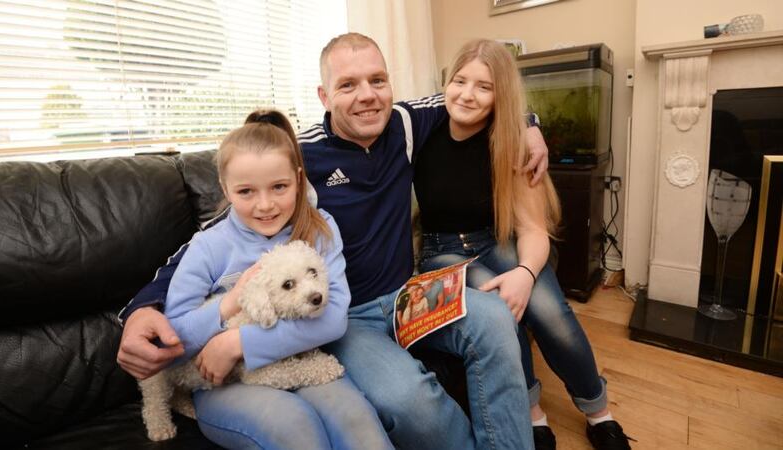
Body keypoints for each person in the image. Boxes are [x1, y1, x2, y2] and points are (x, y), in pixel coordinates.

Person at [118, 32, 552, 450]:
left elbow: (474, 97)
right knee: (410, 401)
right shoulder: (301, 159)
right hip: (350, 317)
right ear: (324, 96)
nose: (367, 95)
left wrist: (527, 122)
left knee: (497, 318)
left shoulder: (403, 121)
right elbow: (214, 236)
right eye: (348, 85)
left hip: (409, 293)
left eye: (377, 81)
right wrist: (142, 307)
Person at [413, 39, 633, 450]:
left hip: (496, 240)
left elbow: (533, 229)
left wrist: (526, 273)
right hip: (441, 251)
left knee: (551, 311)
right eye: (459, 81)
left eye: (484, 86)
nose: (467, 94)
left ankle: (599, 412)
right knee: (500, 309)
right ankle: (532, 412)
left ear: (501, 95)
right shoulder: (422, 132)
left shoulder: (511, 142)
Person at [159, 109, 393, 450]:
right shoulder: (208, 246)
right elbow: (174, 336)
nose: (265, 205)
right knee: (295, 426)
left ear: (299, 179)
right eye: (246, 192)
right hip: (223, 384)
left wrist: (240, 342)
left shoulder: (319, 227)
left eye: (279, 187)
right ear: (225, 188)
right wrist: (229, 303)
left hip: (300, 360)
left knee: (357, 421)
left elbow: (332, 318)